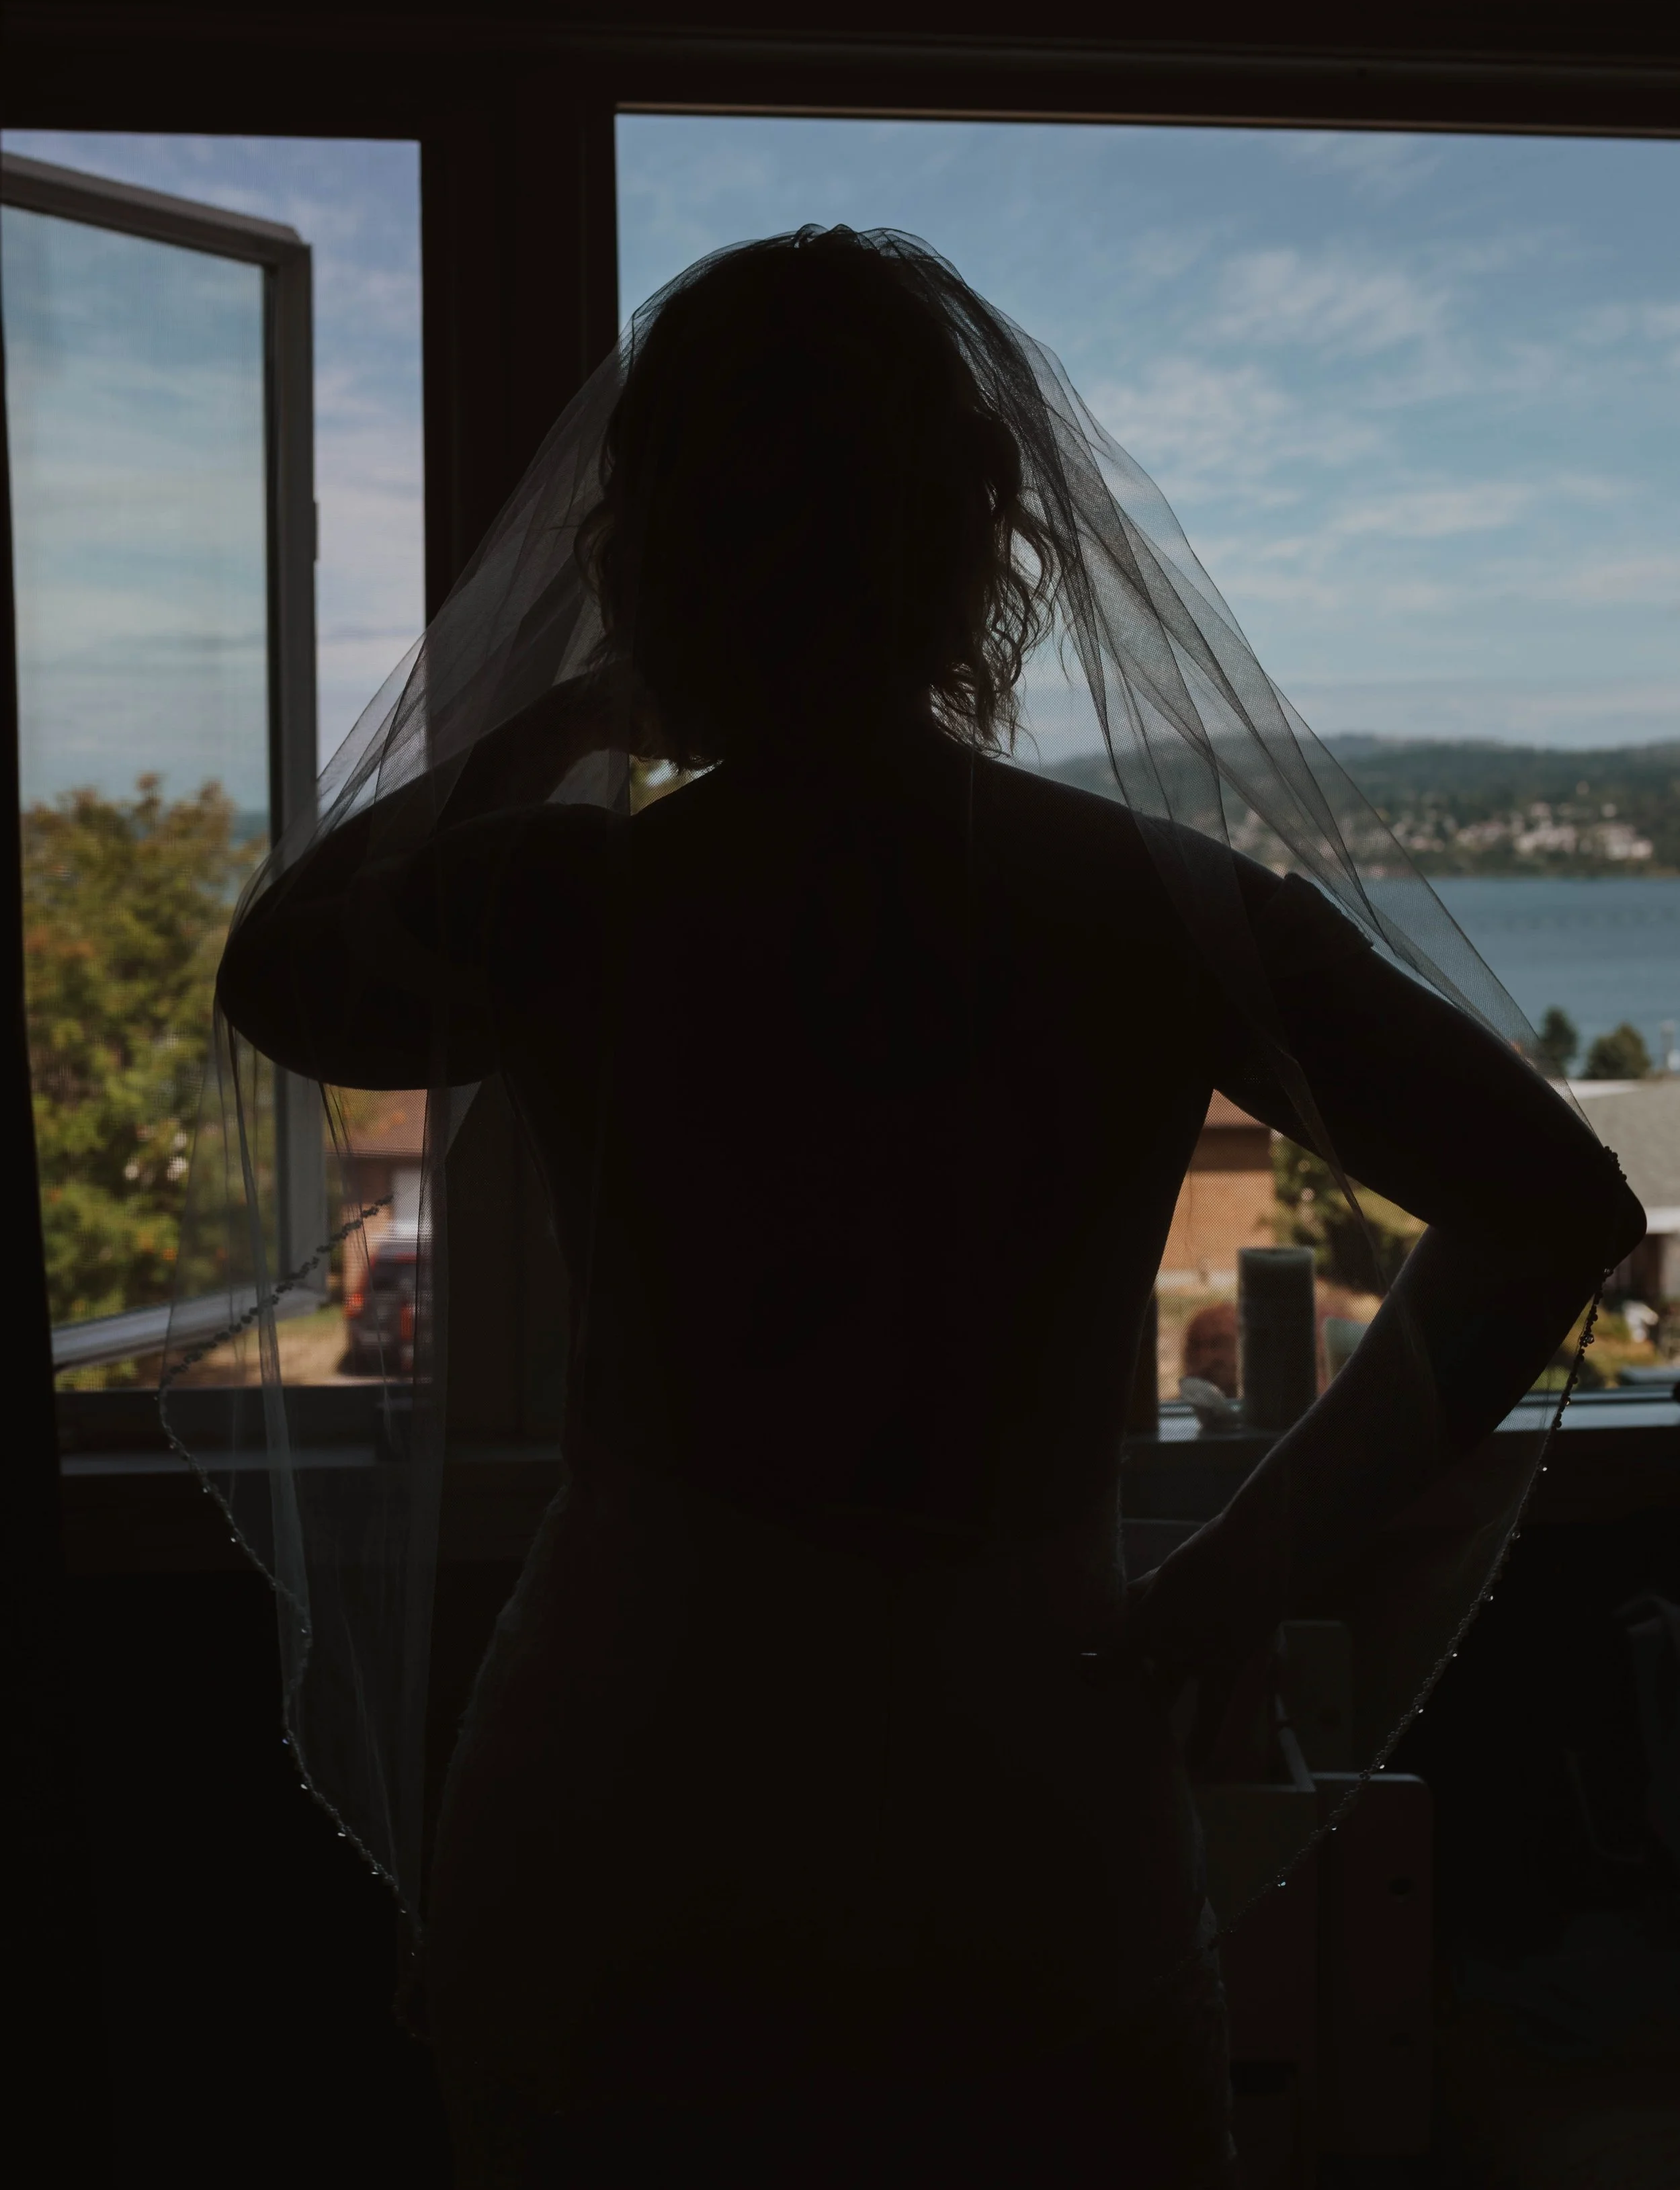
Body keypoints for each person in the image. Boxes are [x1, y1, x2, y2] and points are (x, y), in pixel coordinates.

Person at [216, 230, 1642, 2186]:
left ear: (651, 548)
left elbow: (277, 979)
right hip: (1015, 1766)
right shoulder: (1150, 907)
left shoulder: (580, 901)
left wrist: (554, 726)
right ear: (982, 540)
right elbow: (1553, 1204)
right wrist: (1257, 1552)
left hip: (637, 1747)